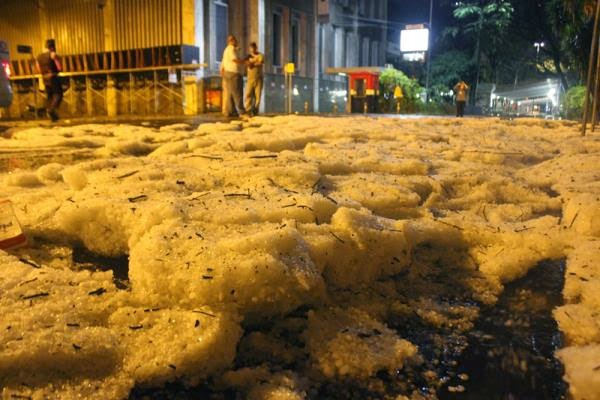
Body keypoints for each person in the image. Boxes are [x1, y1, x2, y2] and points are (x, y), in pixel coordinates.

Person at [37, 39, 63, 122]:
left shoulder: (39, 56)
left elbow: (38, 69)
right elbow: (59, 67)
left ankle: (53, 116)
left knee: (49, 96)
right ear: (52, 46)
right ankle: (51, 110)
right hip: (53, 77)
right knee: (58, 94)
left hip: (44, 78)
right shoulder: (53, 54)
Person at [221, 35, 247, 117]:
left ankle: (230, 111)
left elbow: (222, 64)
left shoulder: (226, 50)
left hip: (226, 73)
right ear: (232, 41)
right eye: (235, 40)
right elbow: (234, 59)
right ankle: (242, 111)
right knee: (237, 92)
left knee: (229, 93)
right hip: (234, 73)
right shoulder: (231, 48)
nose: (237, 42)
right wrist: (245, 62)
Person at [244, 42, 264, 116]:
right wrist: (250, 63)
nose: (252, 50)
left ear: (256, 48)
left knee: (257, 95)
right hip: (250, 78)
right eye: (251, 48)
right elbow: (246, 63)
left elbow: (260, 63)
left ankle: (255, 109)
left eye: (253, 48)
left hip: (258, 78)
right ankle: (248, 109)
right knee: (248, 94)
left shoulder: (260, 55)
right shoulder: (248, 56)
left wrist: (252, 63)